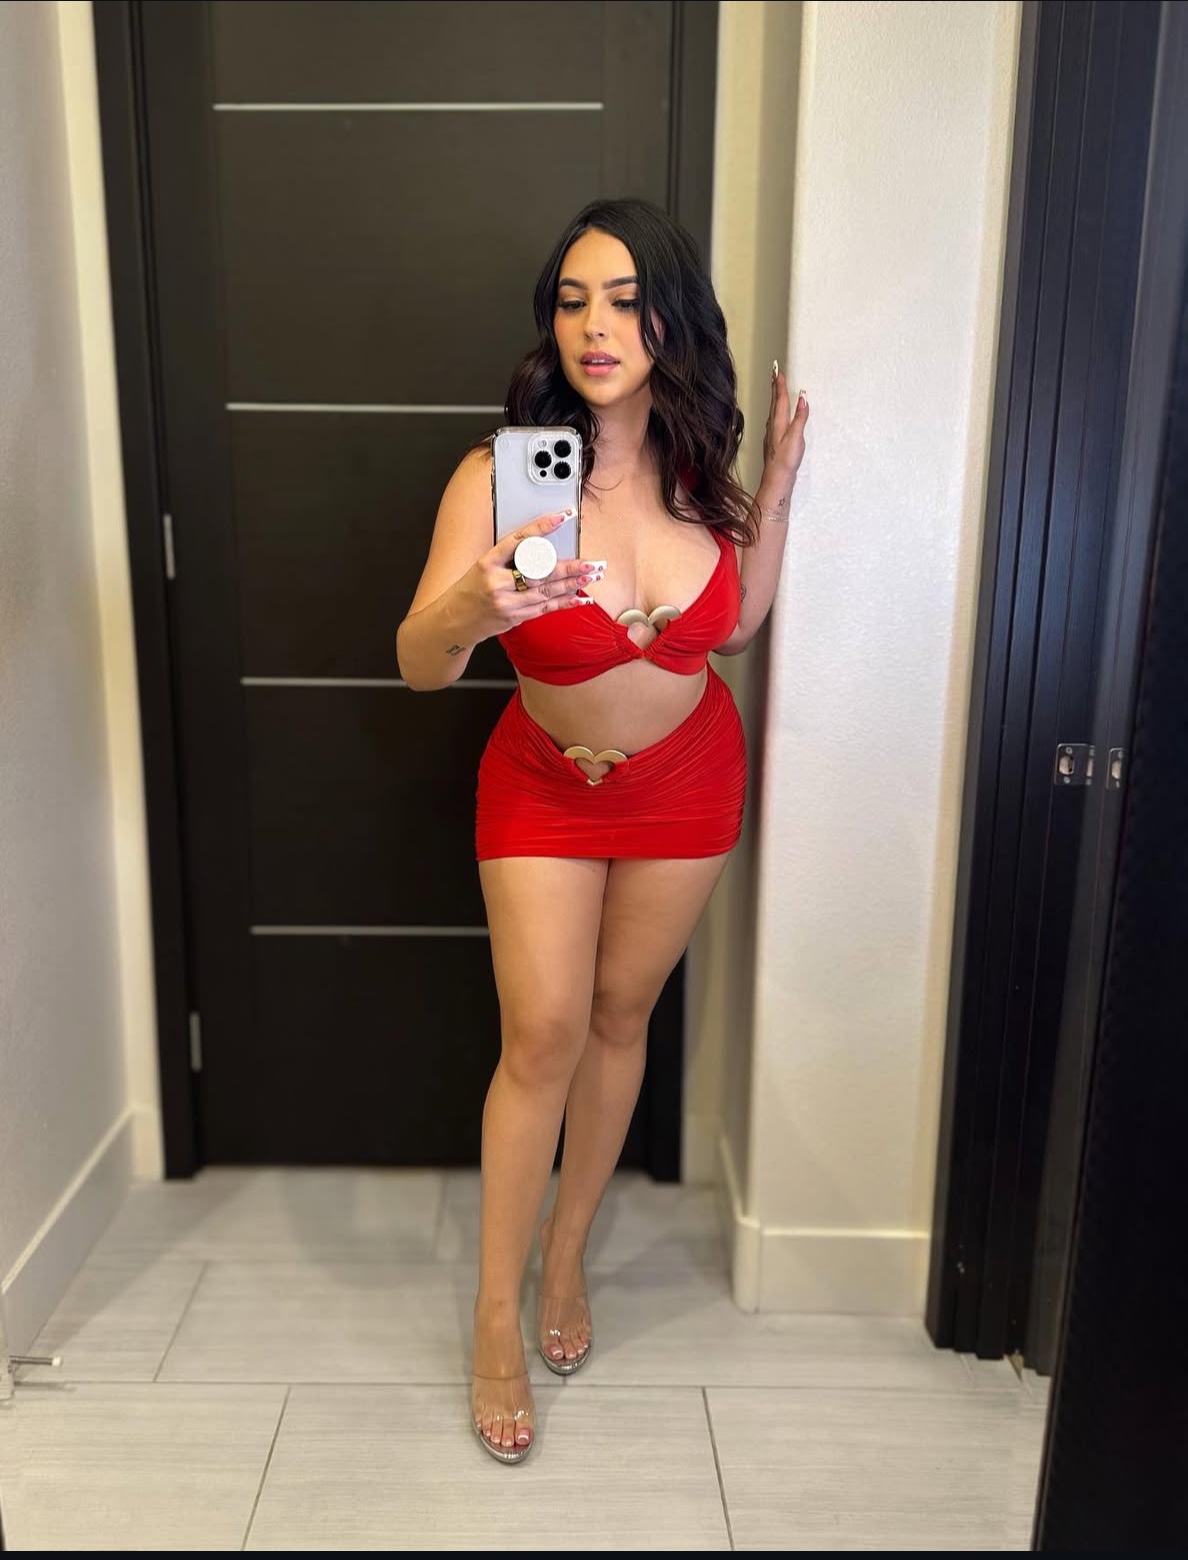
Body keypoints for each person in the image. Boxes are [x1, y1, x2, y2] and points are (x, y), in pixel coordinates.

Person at [396, 197, 808, 1463]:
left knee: (621, 1018)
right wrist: (472, 606)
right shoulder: (502, 476)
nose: (596, 325)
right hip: (542, 783)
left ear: (670, 319)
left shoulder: (700, 475)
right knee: (544, 1035)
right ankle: (493, 1314)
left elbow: (733, 629)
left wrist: (777, 489)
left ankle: (567, 1254)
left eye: (626, 300)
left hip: (687, 784)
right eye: (574, 300)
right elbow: (419, 665)